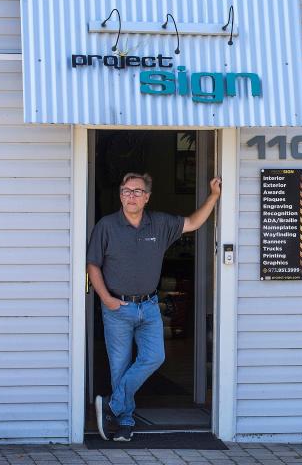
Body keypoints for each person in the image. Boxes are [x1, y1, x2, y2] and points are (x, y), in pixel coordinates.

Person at [87, 172, 221, 442]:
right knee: (119, 367)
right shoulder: (107, 225)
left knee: (154, 357)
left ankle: (113, 404)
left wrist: (214, 196)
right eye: (126, 191)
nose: (131, 196)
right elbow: (93, 266)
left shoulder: (159, 223)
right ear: (120, 195)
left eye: (137, 191)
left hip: (148, 306)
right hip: (117, 307)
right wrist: (106, 299)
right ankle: (124, 423)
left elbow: (193, 222)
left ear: (147, 197)